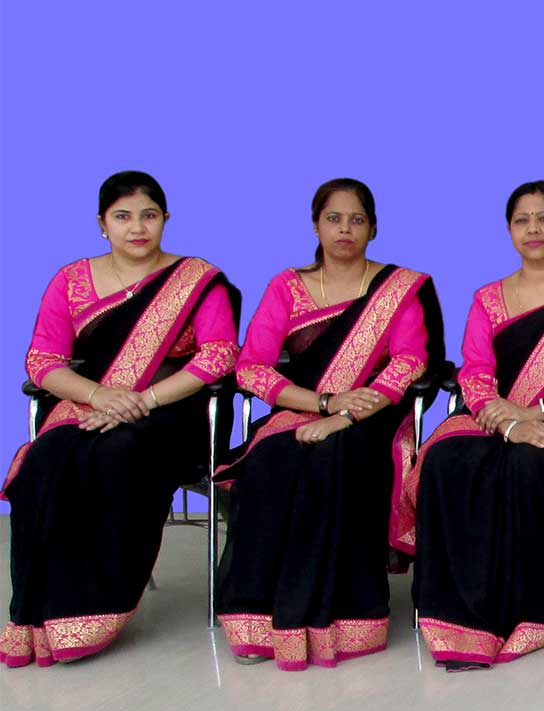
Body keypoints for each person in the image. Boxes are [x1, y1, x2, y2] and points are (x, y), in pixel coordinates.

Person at [3, 171, 239, 667]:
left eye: (149, 216)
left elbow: (218, 356)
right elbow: (43, 361)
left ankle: (96, 606)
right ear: (102, 223)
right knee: (44, 462)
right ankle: (32, 614)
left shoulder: (197, 280)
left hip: (172, 415)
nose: (137, 228)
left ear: (165, 219)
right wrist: (101, 396)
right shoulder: (71, 280)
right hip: (90, 405)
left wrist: (143, 400)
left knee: (120, 453)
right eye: (123, 216)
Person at [391, 181, 544, 672]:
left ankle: (536, 609)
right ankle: (457, 613)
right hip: (494, 416)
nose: (533, 229)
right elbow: (476, 373)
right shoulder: (489, 298)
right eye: (522, 220)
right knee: (447, 461)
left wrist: (531, 415)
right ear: (509, 231)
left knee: (527, 464)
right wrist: (506, 418)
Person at [215, 179, 443, 670]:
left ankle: (340, 619)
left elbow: (410, 362)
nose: (345, 229)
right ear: (316, 225)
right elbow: (252, 368)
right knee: (273, 459)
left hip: (373, 418)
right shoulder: (287, 286)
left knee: (334, 457)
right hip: (302, 409)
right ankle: (258, 618)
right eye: (334, 219)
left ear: (373, 229)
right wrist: (322, 404)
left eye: (357, 220)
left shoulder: (399, 289)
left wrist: (345, 416)